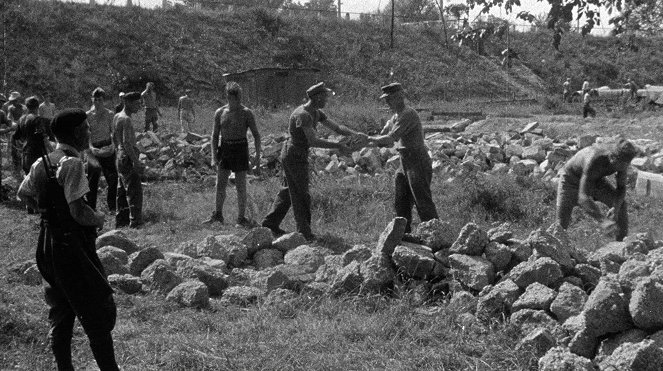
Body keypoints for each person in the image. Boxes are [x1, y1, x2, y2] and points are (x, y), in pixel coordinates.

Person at [17, 109, 120, 370]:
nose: (88, 132)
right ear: (76, 133)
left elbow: (23, 193)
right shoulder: (72, 164)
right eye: (86, 128)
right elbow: (78, 211)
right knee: (96, 310)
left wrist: (46, 212)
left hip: (47, 245)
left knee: (61, 312)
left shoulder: (42, 163)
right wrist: (98, 218)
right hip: (72, 248)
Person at [261, 82, 362, 241]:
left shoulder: (316, 112)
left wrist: (357, 134)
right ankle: (304, 233)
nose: (326, 100)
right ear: (317, 97)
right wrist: (337, 146)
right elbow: (313, 140)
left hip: (298, 153)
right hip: (293, 154)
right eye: (324, 96)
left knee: (289, 190)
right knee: (301, 194)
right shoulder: (302, 115)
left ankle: (269, 223)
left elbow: (337, 128)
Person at [368, 82, 439, 233]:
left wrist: (369, 140)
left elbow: (390, 139)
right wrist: (365, 139)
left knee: (422, 201)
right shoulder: (394, 117)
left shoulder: (408, 114)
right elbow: (383, 138)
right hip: (404, 161)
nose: (387, 103)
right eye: (385, 100)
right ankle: (404, 235)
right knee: (401, 202)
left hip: (417, 160)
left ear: (400, 97)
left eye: (389, 99)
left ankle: (437, 237)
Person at [556, 138, 639, 241]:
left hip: (596, 180)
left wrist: (616, 209)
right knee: (560, 225)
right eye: (622, 165)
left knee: (621, 205)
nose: (623, 169)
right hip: (570, 180)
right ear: (612, 158)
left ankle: (621, 245)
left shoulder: (622, 161)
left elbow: (621, 188)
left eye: (626, 164)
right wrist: (602, 220)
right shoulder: (595, 159)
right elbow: (583, 197)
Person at [203, 82, 261, 227]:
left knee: (241, 186)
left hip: (240, 148)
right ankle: (218, 215)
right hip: (225, 149)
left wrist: (257, 157)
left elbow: (256, 135)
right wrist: (214, 156)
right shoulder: (220, 112)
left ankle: (241, 218)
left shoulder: (246, 113)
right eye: (234, 97)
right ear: (229, 97)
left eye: (239, 97)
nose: (238, 100)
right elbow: (214, 136)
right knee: (220, 184)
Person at [112, 92, 144, 228]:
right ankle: (135, 222)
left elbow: (114, 137)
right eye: (137, 103)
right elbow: (126, 143)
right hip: (127, 156)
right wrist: (136, 161)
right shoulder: (127, 119)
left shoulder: (116, 116)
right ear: (128, 103)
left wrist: (117, 155)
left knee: (121, 190)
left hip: (119, 155)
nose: (139, 106)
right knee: (134, 190)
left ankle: (121, 220)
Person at [86, 87, 118, 212]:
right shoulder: (88, 115)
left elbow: (113, 132)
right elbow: (86, 134)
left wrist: (113, 146)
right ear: (92, 100)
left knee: (113, 178)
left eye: (99, 100)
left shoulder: (109, 114)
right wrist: (90, 148)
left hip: (107, 146)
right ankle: (91, 208)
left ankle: (112, 207)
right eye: (95, 100)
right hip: (94, 148)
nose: (97, 102)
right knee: (92, 179)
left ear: (103, 100)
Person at [14, 96, 53, 176]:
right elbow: (44, 138)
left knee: (28, 179)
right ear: (38, 107)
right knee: (39, 180)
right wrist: (53, 152)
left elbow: (16, 137)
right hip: (37, 155)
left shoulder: (21, 119)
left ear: (26, 106)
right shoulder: (37, 119)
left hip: (25, 153)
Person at [6, 91, 27, 181]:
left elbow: (24, 118)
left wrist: (18, 124)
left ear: (18, 100)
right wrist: (12, 123)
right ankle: (15, 171)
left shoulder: (24, 108)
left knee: (22, 150)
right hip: (14, 130)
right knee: (13, 150)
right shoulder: (11, 108)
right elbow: (9, 117)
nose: (13, 102)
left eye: (15, 100)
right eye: (12, 100)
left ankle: (23, 169)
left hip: (22, 130)